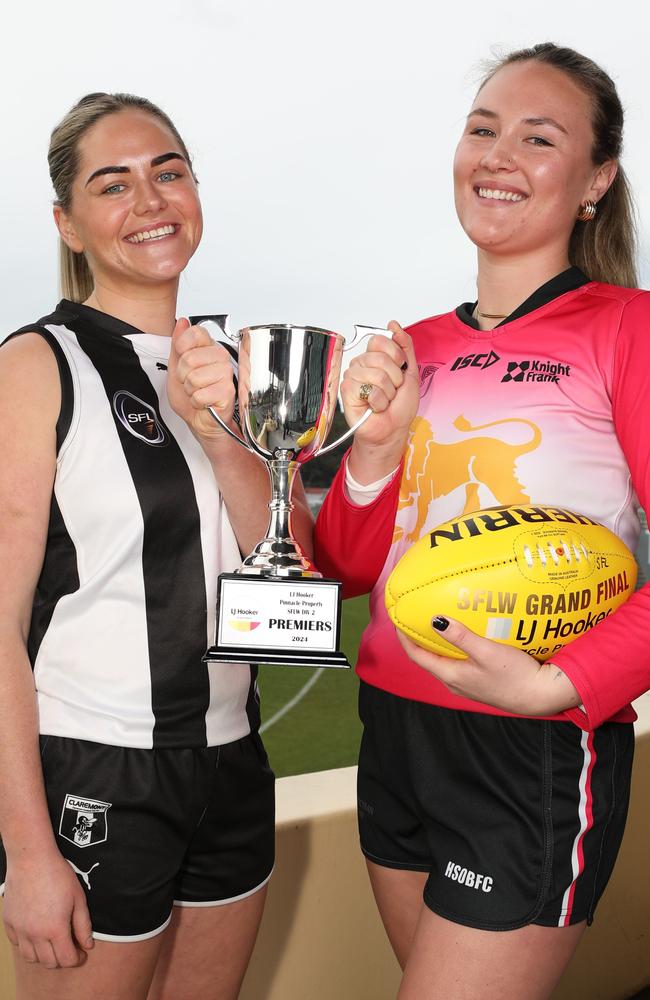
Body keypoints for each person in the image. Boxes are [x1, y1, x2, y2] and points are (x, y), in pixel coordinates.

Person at [315, 43, 649, 998]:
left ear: (596, 178)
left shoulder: (629, 327)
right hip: (392, 734)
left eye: (538, 138)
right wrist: (375, 453)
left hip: (532, 747)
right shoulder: (408, 346)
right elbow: (343, 566)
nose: (499, 154)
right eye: (482, 129)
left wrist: (560, 688)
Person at [0, 92, 312, 1000]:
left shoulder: (235, 368)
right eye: (113, 183)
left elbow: (289, 565)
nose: (150, 200)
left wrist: (223, 432)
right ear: (68, 221)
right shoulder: (35, 365)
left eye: (167, 172)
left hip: (232, 760)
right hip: (93, 766)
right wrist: (27, 848)